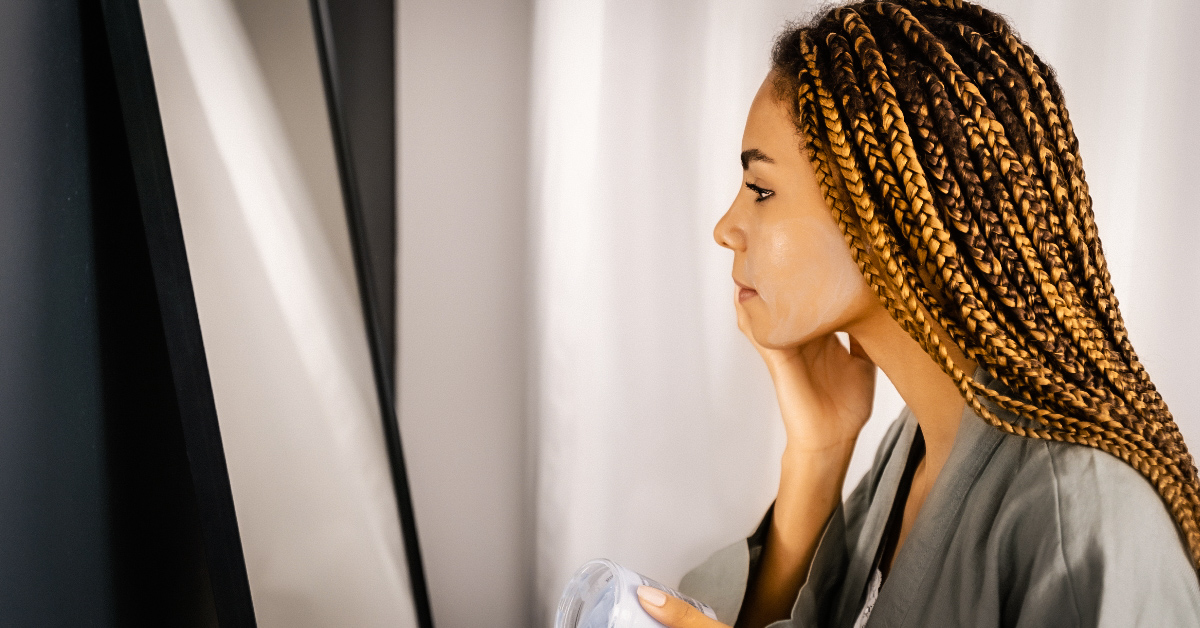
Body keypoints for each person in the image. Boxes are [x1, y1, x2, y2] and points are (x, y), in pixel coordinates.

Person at [631, 0, 1200, 626]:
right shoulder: (917, 449)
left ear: (889, 219)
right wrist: (819, 455)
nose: (725, 229)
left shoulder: (1090, 522)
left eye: (762, 189)